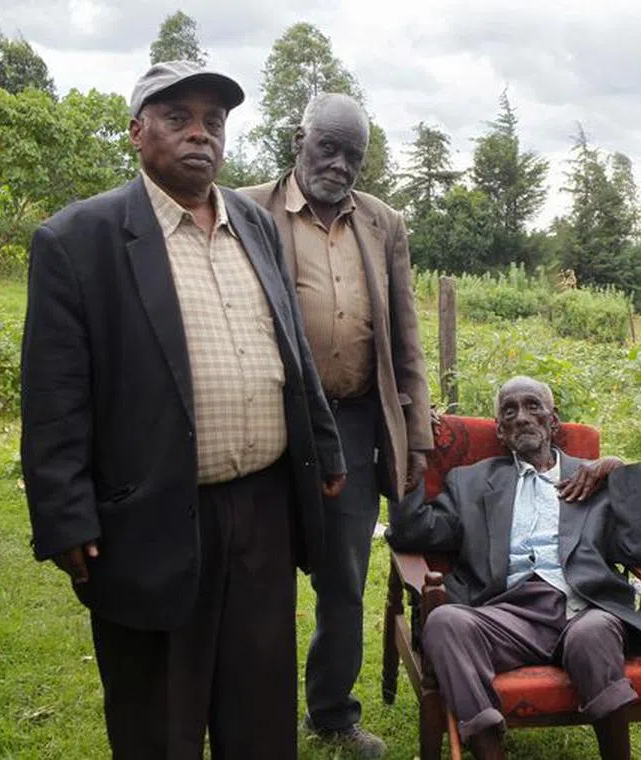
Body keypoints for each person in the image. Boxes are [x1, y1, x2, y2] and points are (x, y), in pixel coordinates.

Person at [20, 60, 346, 760]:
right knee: (158, 719)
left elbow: (291, 349)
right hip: (150, 515)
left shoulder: (255, 226)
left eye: (214, 121)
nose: (200, 133)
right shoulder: (80, 240)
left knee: (259, 709)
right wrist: (65, 514)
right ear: (137, 132)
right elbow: (52, 396)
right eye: (178, 118)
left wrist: (325, 447)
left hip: (262, 511)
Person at [240, 92, 432, 757]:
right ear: (300, 139)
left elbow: (406, 338)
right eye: (331, 148)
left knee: (343, 579)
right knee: (257, 573)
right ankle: (253, 715)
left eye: (356, 154)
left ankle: (330, 714)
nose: (342, 164)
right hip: (268, 425)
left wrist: (417, 438)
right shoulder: (245, 208)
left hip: (353, 427)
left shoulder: (383, 224)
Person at [386, 376, 641, 760]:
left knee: (594, 633)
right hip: (504, 613)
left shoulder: (594, 478)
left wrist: (618, 472)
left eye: (533, 406)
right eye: (510, 410)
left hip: (580, 608)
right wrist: (411, 448)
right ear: (500, 430)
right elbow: (412, 532)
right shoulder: (470, 483)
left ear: (554, 421)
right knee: (445, 622)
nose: (522, 417)